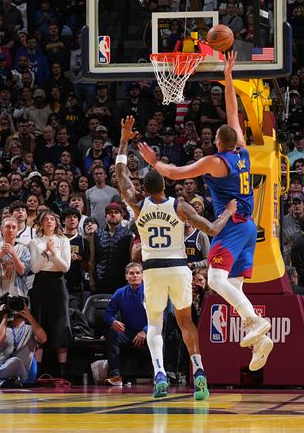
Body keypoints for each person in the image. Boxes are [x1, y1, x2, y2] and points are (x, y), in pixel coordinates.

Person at [137, 52, 273, 368]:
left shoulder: (215, 162)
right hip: (248, 227)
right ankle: (261, 341)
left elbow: (174, 174)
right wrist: (228, 76)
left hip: (233, 226)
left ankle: (255, 323)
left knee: (213, 279)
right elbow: (233, 111)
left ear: (216, 143)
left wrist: (152, 162)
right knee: (233, 287)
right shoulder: (242, 151)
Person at [115, 116, 237, 397]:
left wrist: (124, 138)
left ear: (143, 189)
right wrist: (228, 212)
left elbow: (121, 175)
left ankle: (159, 374)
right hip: (179, 269)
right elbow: (213, 229)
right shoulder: (179, 205)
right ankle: (199, 372)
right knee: (185, 323)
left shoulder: (137, 204)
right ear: (165, 188)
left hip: (153, 270)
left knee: (155, 324)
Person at [28, 210, 71, 378]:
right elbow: (35, 268)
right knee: (40, 324)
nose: (49, 222)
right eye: (45, 219)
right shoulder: (34, 242)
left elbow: (65, 267)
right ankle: (38, 372)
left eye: (52, 219)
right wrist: (46, 252)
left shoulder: (63, 240)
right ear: (41, 223)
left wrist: (53, 253)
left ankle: (62, 373)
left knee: (60, 326)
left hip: (58, 285)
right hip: (40, 284)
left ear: (56, 222)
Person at [104, 262, 148, 387]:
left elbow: (161, 315)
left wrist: (145, 330)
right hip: (128, 332)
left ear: (143, 276)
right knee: (112, 335)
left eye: (138, 273)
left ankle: (160, 375)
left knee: (158, 336)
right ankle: (115, 376)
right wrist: (113, 321)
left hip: (148, 330)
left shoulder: (150, 291)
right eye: (131, 273)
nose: (135, 276)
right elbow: (107, 313)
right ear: (126, 277)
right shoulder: (120, 293)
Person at [0, 217, 31, 321]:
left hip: (18, 295)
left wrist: (13, 253)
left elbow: (22, 271)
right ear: (2, 230)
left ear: (17, 231)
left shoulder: (24, 248)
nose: (11, 230)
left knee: (16, 328)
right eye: (7, 227)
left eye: (13, 227)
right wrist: (1, 254)